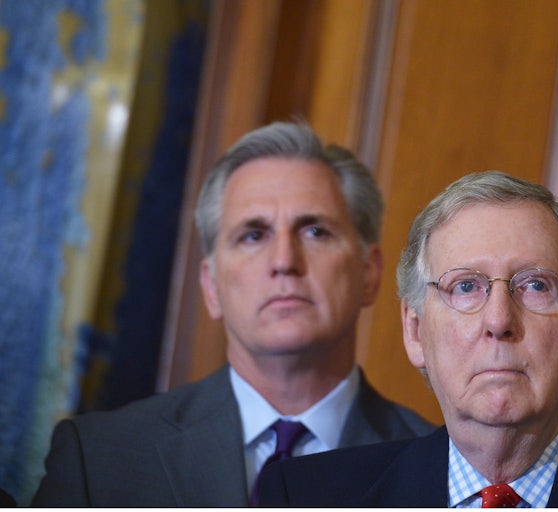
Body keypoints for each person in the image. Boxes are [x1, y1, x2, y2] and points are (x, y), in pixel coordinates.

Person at [31, 121, 434, 507]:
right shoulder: (99, 460)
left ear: (369, 272)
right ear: (210, 286)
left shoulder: (444, 470)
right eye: (253, 235)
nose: (283, 261)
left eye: (315, 231)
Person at [258, 171, 558, 507]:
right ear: (415, 330)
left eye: (534, 285)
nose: (499, 320)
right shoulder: (307, 496)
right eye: (465, 286)